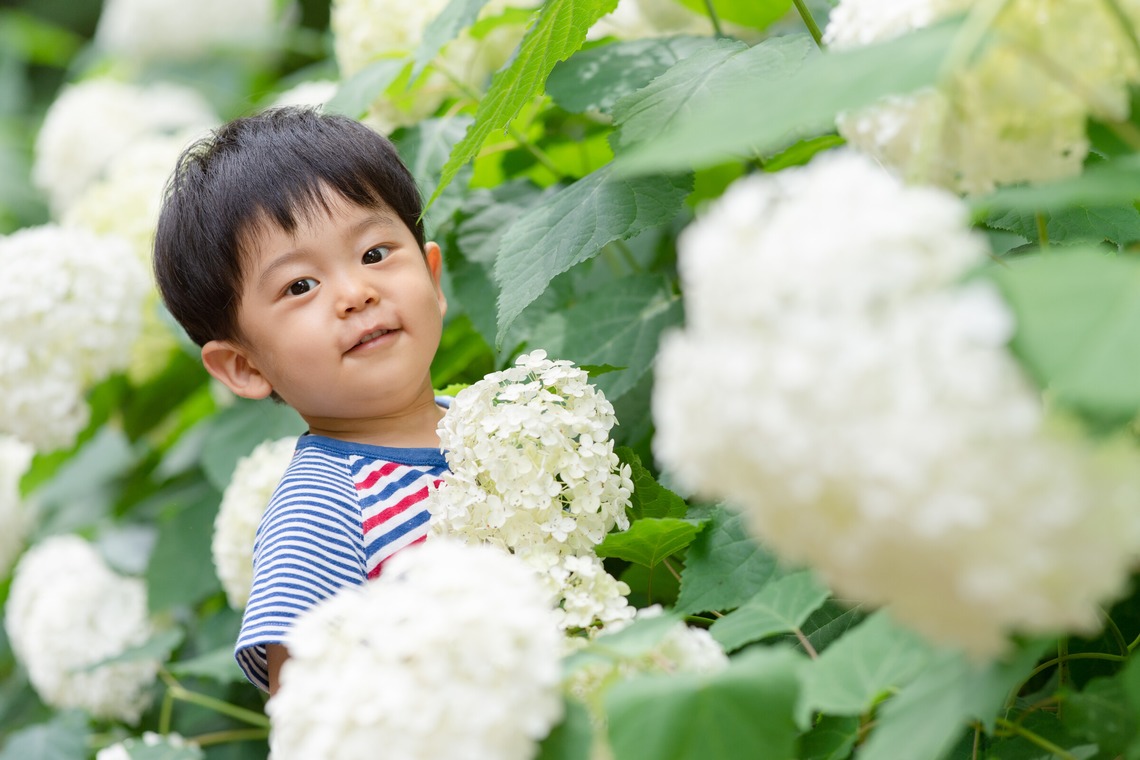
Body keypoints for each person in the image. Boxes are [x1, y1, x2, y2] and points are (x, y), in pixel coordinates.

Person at [154, 107, 449, 695]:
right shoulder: (321, 511)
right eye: (300, 286)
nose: (355, 294)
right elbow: (312, 717)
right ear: (244, 365)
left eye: (374, 254)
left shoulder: (501, 426)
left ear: (432, 277)